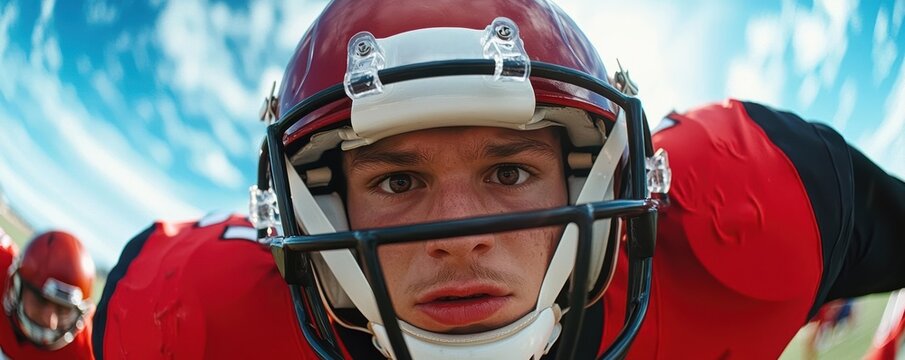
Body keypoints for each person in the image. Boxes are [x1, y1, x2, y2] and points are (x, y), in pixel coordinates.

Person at [92, 0, 905, 359]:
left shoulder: (765, 202)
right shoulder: (197, 314)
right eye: (398, 181)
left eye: (509, 169)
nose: (459, 235)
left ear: (593, 179)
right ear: (313, 204)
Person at [0, 230, 96, 359]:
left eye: (63, 310)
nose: (50, 321)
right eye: (42, 300)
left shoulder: (87, 349)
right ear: (17, 283)